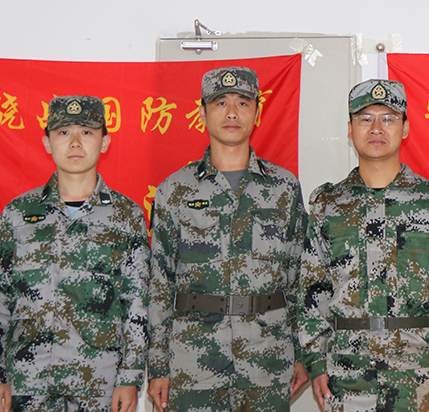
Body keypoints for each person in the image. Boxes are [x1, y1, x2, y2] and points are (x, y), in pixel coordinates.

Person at [146, 66, 308, 412]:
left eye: (243, 103)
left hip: (267, 359)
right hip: (193, 362)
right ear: (202, 112)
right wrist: (158, 365)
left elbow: (298, 276)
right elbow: (160, 282)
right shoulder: (175, 189)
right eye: (220, 103)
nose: (232, 113)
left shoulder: (283, 187)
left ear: (257, 113)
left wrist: (301, 352)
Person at [299, 79, 429, 412]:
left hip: (419, 374)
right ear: (350, 129)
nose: (376, 128)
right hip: (345, 374)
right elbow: (313, 289)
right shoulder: (328, 204)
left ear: (405, 128)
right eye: (365, 119)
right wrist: (315, 360)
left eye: (388, 118)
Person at [0, 95, 149, 412]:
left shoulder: (126, 216)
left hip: (98, 383)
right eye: (64, 132)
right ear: (47, 142)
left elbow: (137, 303)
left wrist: (130, 377)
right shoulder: (17, 214)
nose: (75, 143)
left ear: (104, 142)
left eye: (87, 132)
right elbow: (2, 296)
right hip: (28, 381)